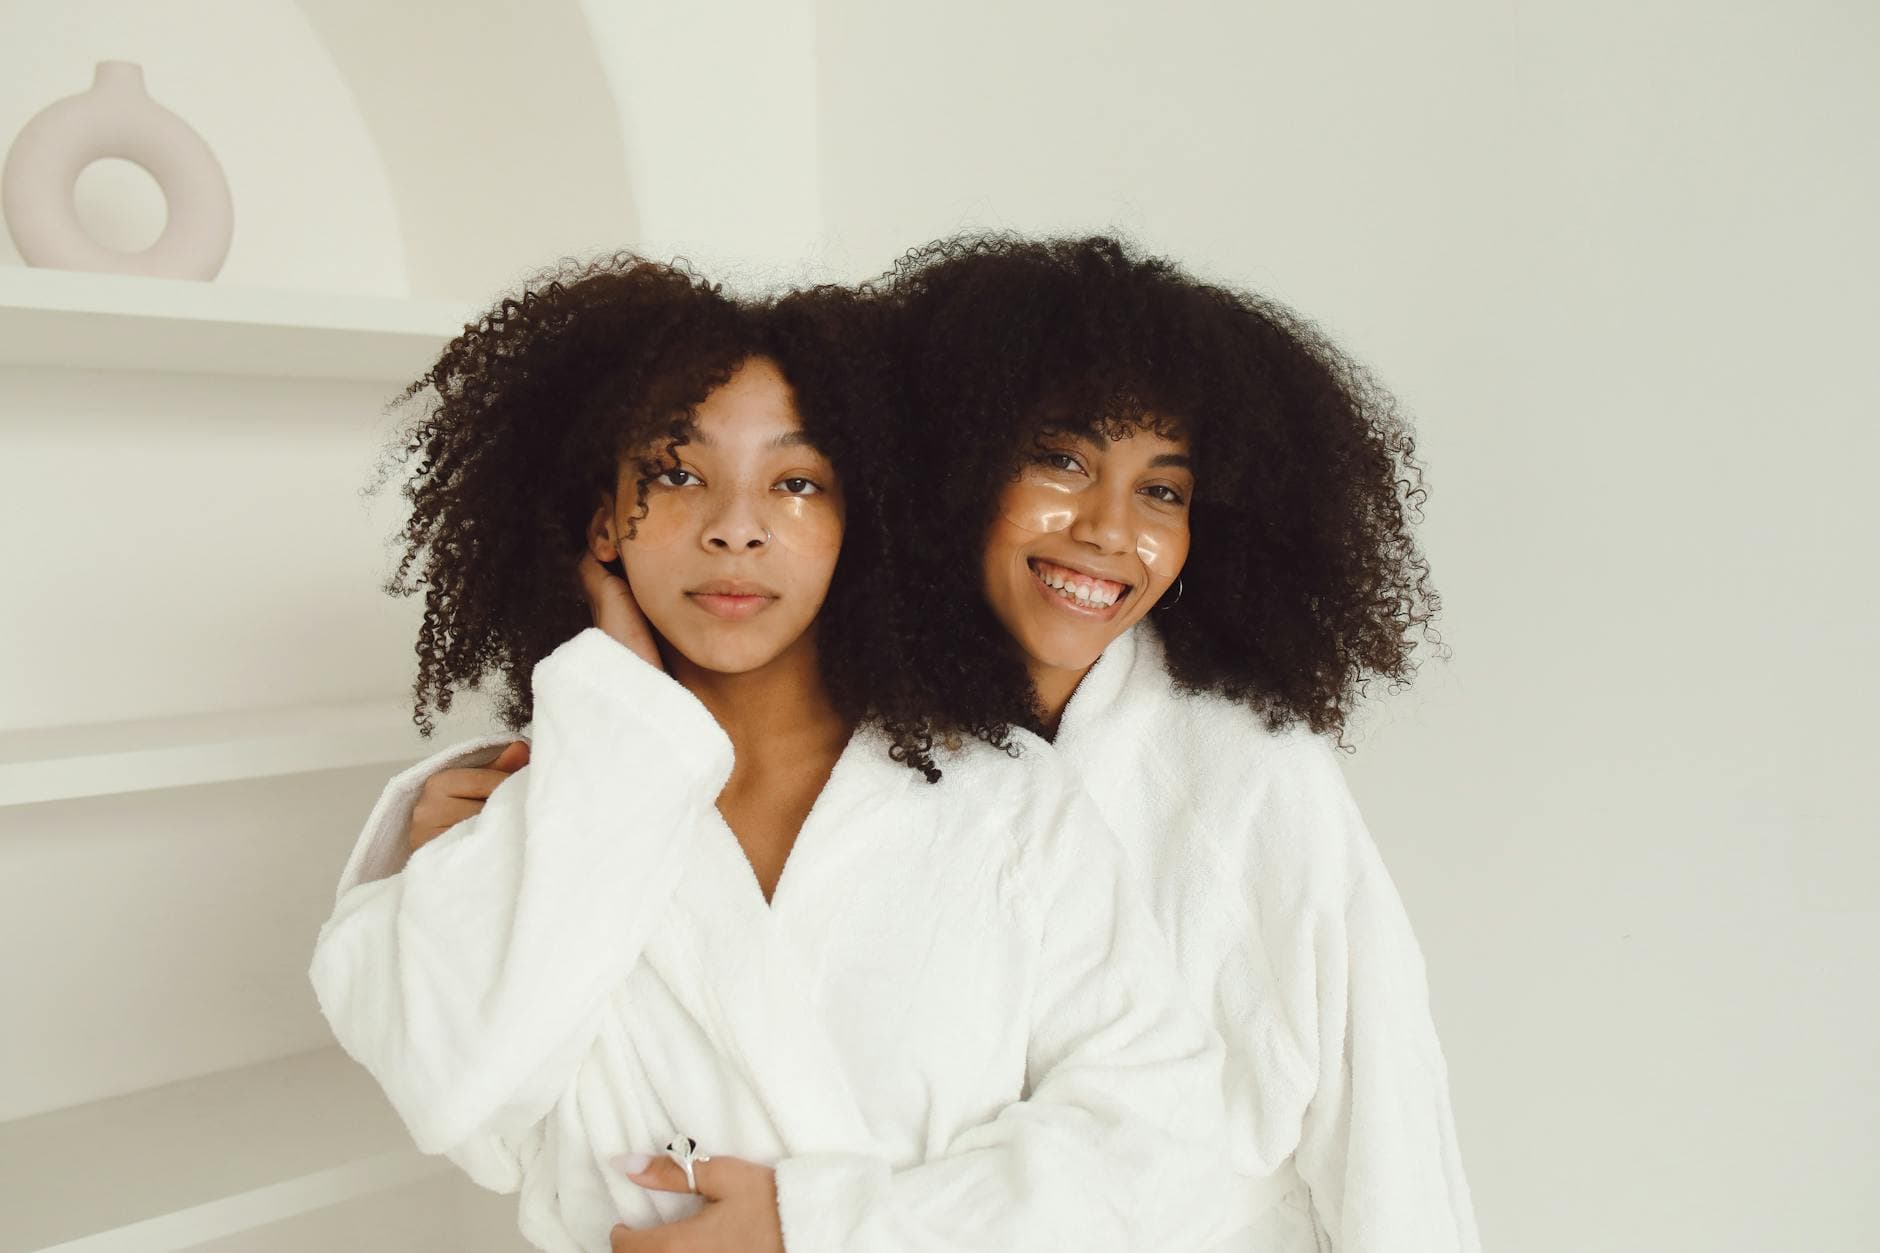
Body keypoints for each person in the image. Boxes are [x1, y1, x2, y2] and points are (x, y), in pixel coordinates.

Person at [309, 255, 1233, 1253]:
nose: (734, 529)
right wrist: (612, 740)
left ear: (858, 517)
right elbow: (455, 1091)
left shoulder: (1004, 796)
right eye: (675, 473)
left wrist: (824, 1225)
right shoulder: (517, 807)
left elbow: (1166, 1147)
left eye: (795, 482)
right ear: (599, 523)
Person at [874, 234, 1479, 1252]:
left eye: (1162, 489)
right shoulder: (851, 741)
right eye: (1060, 458)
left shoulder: (1250, 773)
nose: (1109, 528)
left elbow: (1382, 1113)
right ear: (956, 461)